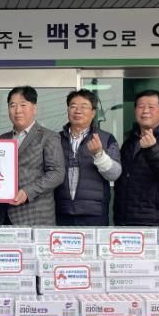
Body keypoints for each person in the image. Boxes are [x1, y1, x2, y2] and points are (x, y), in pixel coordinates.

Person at [0, 85, 64, 226]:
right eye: (13, 106)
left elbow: (57, 173)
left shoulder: (48, 137)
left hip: (34, 216)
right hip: (1, 216)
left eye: (23, 105)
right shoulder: (2, 139)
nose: (18, 110)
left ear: (34, 108)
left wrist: (28, 192)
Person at [114, 90, 159, 226]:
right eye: (141, 107)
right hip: (126, 219)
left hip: (158, 218)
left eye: (151, 107)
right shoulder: (129, 142)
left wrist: (152, 148)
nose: (145, 111)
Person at [54, 89, 120, 226]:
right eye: (73, 106)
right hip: (61, 210)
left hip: (94, 213)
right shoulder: (55, 139)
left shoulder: (106, 138)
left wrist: (99, 155)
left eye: (83, 107)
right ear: (68, 110)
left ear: (93, 112)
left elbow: (114, 174)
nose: (77, 111)